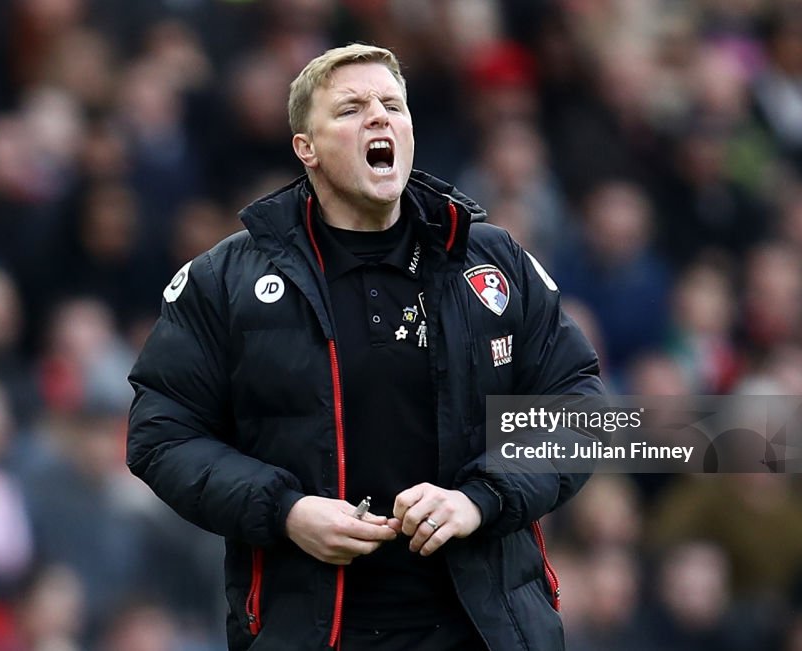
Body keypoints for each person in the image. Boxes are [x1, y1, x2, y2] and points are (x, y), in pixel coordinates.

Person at [126, 43, 604, 651]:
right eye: (352, 108)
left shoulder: (493, 259)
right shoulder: (225, 282)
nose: (379, 117)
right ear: (308, 150)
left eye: (392, 105)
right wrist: (286, 512)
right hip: (313, 630)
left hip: (484, 631)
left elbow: (584, 411)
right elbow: (161, 434)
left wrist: (479, 498)